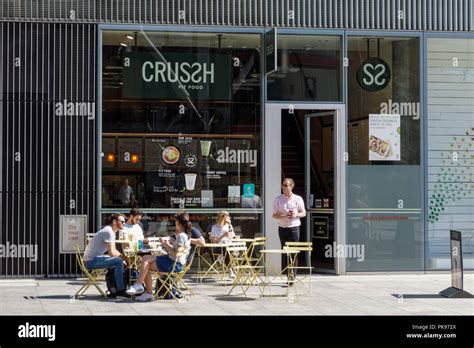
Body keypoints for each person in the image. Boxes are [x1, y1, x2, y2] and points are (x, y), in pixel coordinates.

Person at [126, 212, 192, 301]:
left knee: (145, 263)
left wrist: (166, 246)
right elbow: (177, 252)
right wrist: (167, 244)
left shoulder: (181, 236)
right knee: (145, 261)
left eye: (176, 221)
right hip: (173, 262)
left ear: (179, 223)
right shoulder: (185, 235)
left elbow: (176, 254)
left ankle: (143, 288)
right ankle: (141, 286)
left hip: (174, 264)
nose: (174, 223)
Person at [83, 214, 129, 298]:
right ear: (114, 222)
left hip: (92, 259)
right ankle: (121, 290)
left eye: (124, 221)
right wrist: (125, 259)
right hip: (90, 261)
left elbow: (114, 250)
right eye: (122, 221)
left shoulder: (112, 232)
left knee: (119, 261)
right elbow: (112, 253)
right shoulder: (109, 232)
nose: (124, 223)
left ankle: (114, 288)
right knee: (118, 261)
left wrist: (125, 258)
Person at [272, 178, 306, 279]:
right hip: (282, 228)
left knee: (293, 252)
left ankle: (292, 277)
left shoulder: (298, 199)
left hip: (294, 228)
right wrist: (283, 217)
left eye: (286, 185)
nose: (284, 187)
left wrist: (296, 214)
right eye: (283, 185)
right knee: (285, 252)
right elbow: (274, 215)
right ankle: (288, 275)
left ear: (292, 186)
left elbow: (303, 213)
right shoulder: (278, 199)